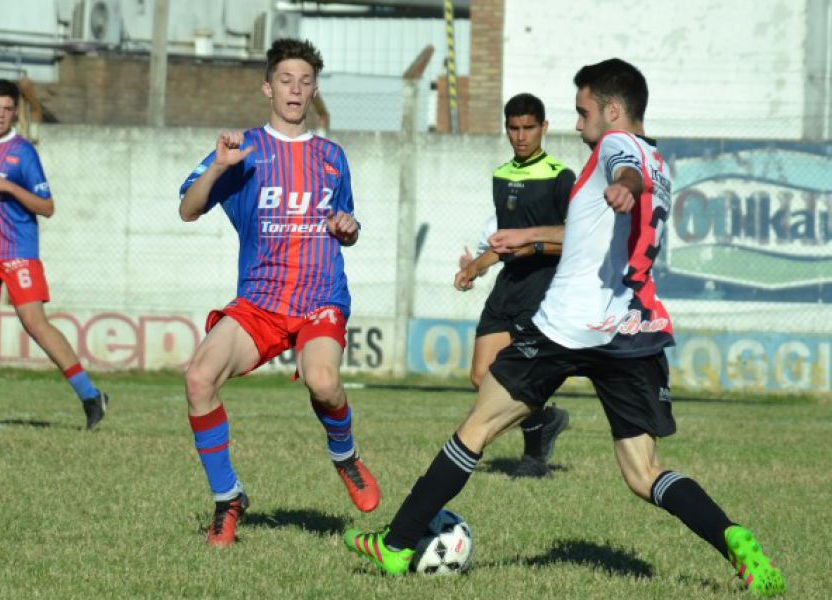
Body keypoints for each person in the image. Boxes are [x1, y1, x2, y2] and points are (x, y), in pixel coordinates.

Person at [343, 59, 786, 597]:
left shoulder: (618, 152)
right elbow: (592, 225)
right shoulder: (663, 164)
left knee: (476, 429)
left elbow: (626, 171)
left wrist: (623, 183)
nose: (577, 125)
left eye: (583, 112)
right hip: (631, 332)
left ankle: (395, 544)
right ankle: (734, 538)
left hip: (566, 328)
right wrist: (526, 234)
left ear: (613, 111)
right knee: (644, 472)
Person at [178, 38, 380, 548]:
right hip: (260, 303)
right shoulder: (243, 149)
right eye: (286, 80)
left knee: (323, 383)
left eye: (305, 81)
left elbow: (349, 226)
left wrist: (346, 226)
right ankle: (227, 498)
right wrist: (221, 167)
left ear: (313, 91)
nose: (295, 89)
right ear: (268, 87)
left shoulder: (332, 157)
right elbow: (188, 208)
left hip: (320, 296)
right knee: (199, 376)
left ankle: (345, 457)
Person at [0, 80, 108, 430]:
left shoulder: (23, 152)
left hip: (17, 251)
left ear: (14, 113)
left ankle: (91, 396)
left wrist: (9, 186)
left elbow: (47, 207)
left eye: (7, 109)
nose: (0, 115)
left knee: (35, 323)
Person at [454, 93, 573, 478]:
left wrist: (535, 245)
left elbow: (576, 237)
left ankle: (534, 458)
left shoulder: (560, 176)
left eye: (529, 128)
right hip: (509, 284)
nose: (521, 136)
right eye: (514, 129)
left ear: (544, 128)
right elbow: (504, 242)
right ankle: (548, 419)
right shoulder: (502, 176)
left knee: (520, 376)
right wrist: (476, 266)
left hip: (543, 285)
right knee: (480, 376)